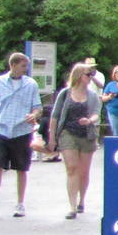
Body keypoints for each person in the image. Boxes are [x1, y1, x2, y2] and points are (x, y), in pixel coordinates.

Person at [0, 52, 43, 220]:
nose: (25, 69)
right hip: (1, 128)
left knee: (21, 168)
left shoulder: (31, 84)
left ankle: (20, 203)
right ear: (13, 65)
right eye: (23, 66)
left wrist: (34, 115)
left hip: (21, 130)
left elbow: (38, 106)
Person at [49, 61, 104, 219]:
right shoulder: (65, 93)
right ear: (79, 76)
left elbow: (96, 113)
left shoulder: (92, 95)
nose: (91, 77)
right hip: (68, 132)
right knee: (72, 168)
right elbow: (55, 115)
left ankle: (82, 200)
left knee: (84, 172)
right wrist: (52, 137)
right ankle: (72, 206)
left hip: (87, 134)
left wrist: (90, 120)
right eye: (89, 75)